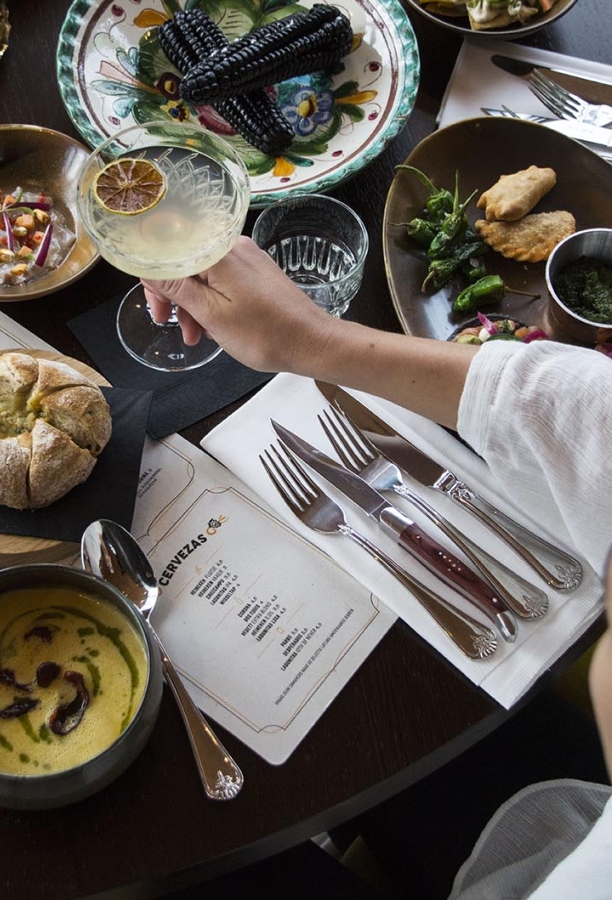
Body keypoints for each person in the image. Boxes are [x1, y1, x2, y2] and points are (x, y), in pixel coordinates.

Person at [143, 236, 612, 899]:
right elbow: (582, 422)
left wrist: (317, 339)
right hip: (568, 810)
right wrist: (314, 338)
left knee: (179, 852)